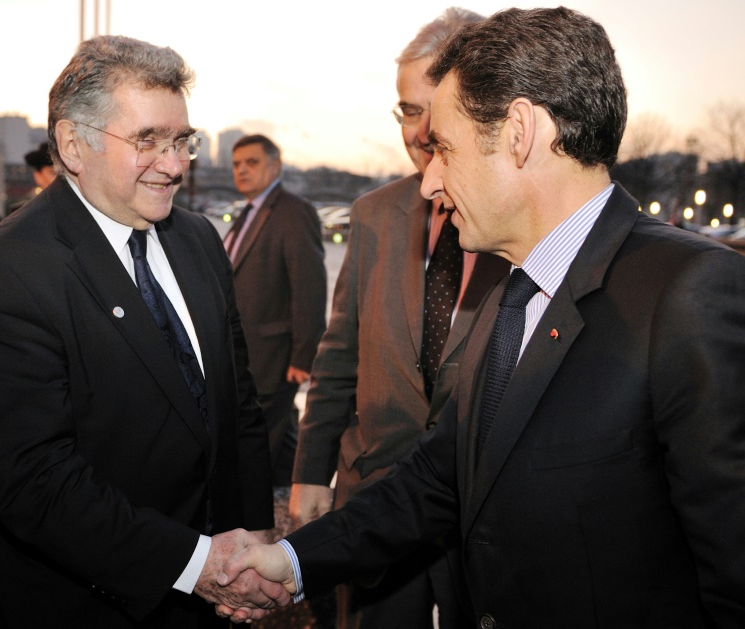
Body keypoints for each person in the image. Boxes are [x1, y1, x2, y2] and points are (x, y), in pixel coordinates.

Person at [217, 7, 745, 628]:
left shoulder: (690, 292)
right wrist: (295, 560)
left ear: (520, 131)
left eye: (444, 146)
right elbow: (438, 479)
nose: (428, 181)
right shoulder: (512, 293)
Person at [0, 35, 289, 629]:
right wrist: (199, 563)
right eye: (147, 141)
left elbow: (237, 403)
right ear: (73, 144)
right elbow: (35, 482)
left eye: (181, 141)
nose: (173, 165)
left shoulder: (198, 239)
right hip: (84, 602)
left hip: (210, 596)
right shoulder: (5, 270)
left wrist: (252, 542)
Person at [288, 8, 507, 628]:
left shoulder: (521, 223)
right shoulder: (374, 214)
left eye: (433, 107)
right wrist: (310, 473)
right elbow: (339, 355)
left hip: (482, 512)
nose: (419, 130)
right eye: (407, 110)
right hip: (373, 501)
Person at [223, 134, 326, 489]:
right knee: (279, 448)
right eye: (236, 165)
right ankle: (291, 514)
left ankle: (254, 526)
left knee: (256, 452)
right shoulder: (248, 213)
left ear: (275, 166)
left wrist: (303, 354)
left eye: (251, 163)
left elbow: (309, 288)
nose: (242, 171)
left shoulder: (294, 212)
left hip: (275, 358)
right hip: (249, 358)